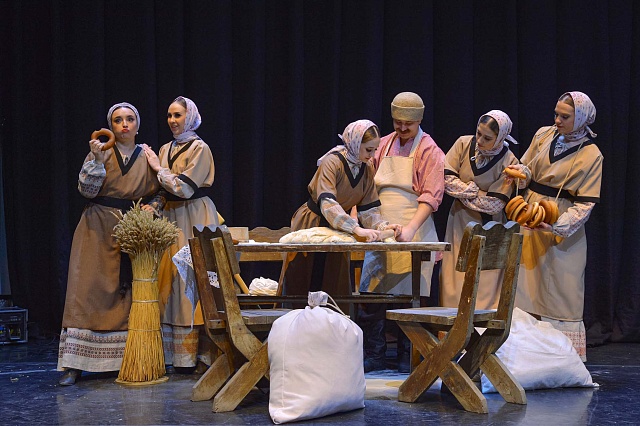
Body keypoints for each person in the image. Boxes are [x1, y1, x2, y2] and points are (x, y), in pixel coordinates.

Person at [58, 102, 162, 385]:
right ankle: (74, 364)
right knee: (86, 290)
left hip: (132, 230)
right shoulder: (101, 152)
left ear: (138, 125)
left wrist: (153, 207)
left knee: (125, 295)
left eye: (130, 119)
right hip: (97, 227)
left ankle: (124, 361)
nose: (124, 124)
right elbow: (86, 190)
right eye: (118, 120)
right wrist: (95, 160)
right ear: (111, 126)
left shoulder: (147, 155)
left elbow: (160, 192)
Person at [508, 91, 602, 361]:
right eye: (556, 114)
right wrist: (521, 174)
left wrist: (556, 226)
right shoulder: (543, 135)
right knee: (526, 285)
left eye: (565, 116)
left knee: (560, 290)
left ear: (581, 118)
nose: (557, 120)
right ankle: (523, 356)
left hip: (561, 227)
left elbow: (585, 204)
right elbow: (527, 168)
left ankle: (559, 359)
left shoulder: (592, 155)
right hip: (531, 217)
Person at [358, 92, 445, 372]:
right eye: (398, 122)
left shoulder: (429, 150)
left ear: (419, 120)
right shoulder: (383, 145)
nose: (402, 128)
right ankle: (375, 353)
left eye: (408, 123)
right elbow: (365, 185)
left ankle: (410, 356)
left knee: (413, 295)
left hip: (413, 227)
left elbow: (431, 196)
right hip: (381, 228)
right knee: (374, 293)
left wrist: (410, 229)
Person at [283, 119, 401, 301]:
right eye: (368, 150)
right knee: (303, 279)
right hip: (313, 223)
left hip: (339, 228)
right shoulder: (332, 162)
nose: (372, 155)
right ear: (355, 144)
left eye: (375, 150)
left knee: (333, 282)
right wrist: (355, 228)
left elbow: (369, 210)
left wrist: (383, 227)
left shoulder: (366, 168)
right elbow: (327, 204)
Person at [143, 96, 219, 373]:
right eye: (169, 115)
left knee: (193, 277)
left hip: (194, 215)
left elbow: (184, 188)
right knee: (170, 279)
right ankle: (174, 356)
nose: (173, 121)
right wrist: (154, 205)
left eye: (178, 115)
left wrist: (158, 168)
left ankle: (200, 354)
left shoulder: (200, 148)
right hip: (170, 217)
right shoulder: (165, 148)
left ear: (191, 117)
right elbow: (164, 188)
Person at [440, 110, 519, 309]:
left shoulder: (509, 161)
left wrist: (463, 191)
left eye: (488, 138)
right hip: (459, 221)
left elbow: (495, 204)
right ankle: (452, 322)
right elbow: (446, 180)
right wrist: (476, 191)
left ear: (500, 138)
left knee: (486, 279)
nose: (480, 141)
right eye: (479, 134)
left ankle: (481, 324)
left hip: (489, 226)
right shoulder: (463, 143)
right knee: (454, 276)